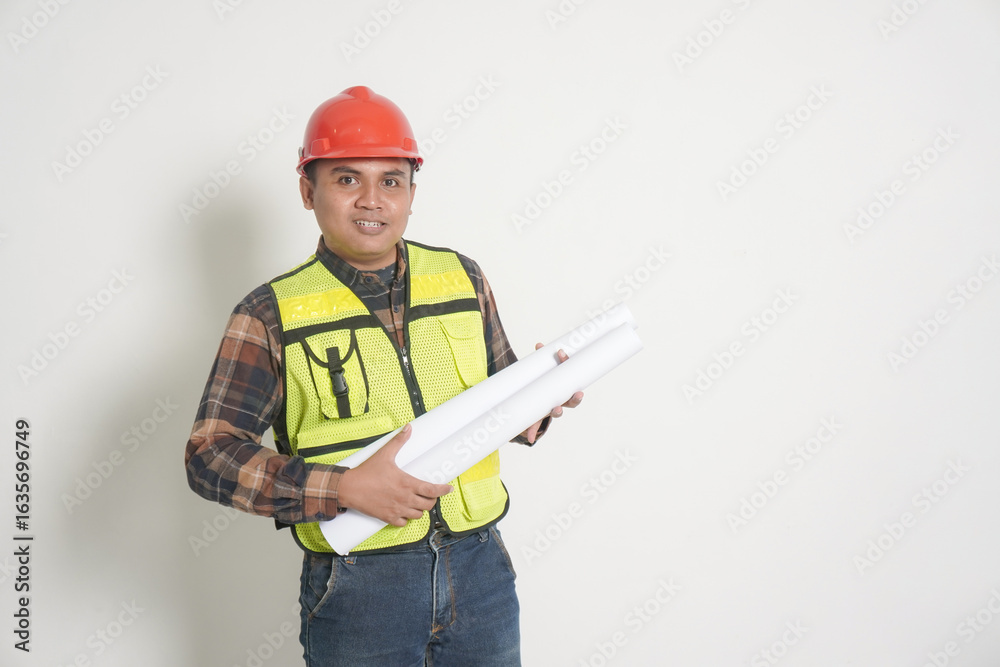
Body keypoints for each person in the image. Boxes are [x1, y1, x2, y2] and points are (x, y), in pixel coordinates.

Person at [184, 85, 583, 666]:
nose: (372, 200)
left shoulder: (462, 278)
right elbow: (210, 455)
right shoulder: (269, 314)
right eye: (347, 179)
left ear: (412, 193)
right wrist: (342, 488)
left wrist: (538, 400)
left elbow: (500, 401)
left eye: (391, 181)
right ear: (307, 190)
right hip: (359, 583)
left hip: (481, 570)